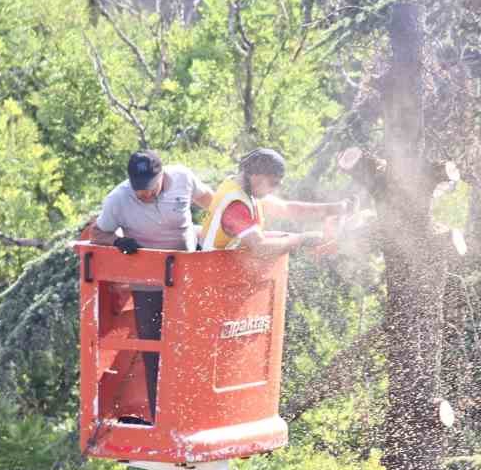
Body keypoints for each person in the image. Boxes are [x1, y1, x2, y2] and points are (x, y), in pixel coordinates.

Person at [90, 150, 213, 421]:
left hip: (188, 278)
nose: (143, 195)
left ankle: (197, 412)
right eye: (138, 190)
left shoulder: (183, 178)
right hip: (148, 283)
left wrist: (219, 237)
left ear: (162, 176)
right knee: (154, 349)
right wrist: (117, 241)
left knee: (193, 343)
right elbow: (98, 233)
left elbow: (213, 204)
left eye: (148, 189)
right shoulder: (118, 199)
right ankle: (163, 417)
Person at [200, 148, 350, 254]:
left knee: (286, 236)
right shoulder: (236, 206)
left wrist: (334, 209)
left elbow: (287, 209)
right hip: (213, 276)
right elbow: (260, 247)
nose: (274, 189)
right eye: (274, 183)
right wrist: (300, 239)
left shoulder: (243, 190)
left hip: (222, 272)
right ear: (256, 175)